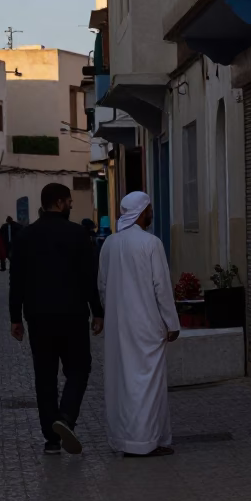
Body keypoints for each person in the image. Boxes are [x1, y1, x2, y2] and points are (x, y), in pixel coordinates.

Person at [9, 184, 105, 455]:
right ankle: (66, 417)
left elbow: (16, 279)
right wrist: (97, 311)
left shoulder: (25, 236)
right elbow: (89, 277)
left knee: (45, 375)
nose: (72, 205)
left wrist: (15, 317)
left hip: (38, 318)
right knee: (79, 368)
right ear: (60, 202)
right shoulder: (78, 234)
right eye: (70, 201)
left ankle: (51, 438)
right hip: (72, 315)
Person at [99, 191, 180, 458]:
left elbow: (102, 286)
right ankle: (144, 442)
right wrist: (171, 322)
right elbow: (162, 288)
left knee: (124, 381)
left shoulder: (109, 243)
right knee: (147, 384)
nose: (151, 213)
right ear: (142, 211)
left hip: (118, 327)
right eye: (149, 209)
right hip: (146, 325)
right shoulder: (151, 243)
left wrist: (112, 314)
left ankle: (126, 439)